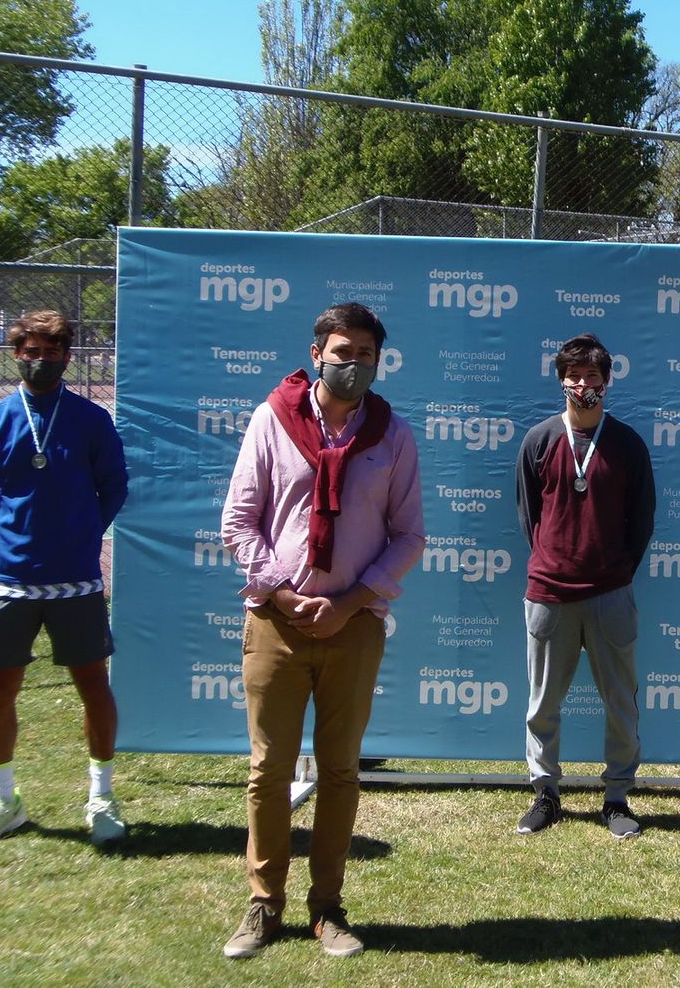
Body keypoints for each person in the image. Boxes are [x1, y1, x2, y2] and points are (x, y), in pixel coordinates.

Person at [219, 303, 425, 958]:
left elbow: (409, 534)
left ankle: (328, 907)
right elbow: (238, 521)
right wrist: (280, 590)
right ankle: (262, 903)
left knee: (339, 771)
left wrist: (350, 601)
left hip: (354, 625)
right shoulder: (271, 420)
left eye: (365, 352)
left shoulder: (392, 435)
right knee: (268, 770)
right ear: (316, 353)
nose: (353, 363)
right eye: (342, 351)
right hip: (274, 623)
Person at [0, 310, 129, 848]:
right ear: (16, 354)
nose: (41, 360)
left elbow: (113, 488)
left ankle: (101, 797)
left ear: (66, 357)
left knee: (92, 684)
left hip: (74, 580)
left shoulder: (91, 420)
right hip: (6, 579)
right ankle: (2, 799)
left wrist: (77, 536)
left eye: (52, 352)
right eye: (31, 352)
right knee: (0, 685)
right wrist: (12, 539)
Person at [514, 333, 655, 839]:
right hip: (549, 592)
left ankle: (617, 797)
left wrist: (613, 569)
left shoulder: (627, 444)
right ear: (561, 381)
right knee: (542, 703)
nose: (582, 385)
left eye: (592, 378)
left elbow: (641, 522)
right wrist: (557, 558)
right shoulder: (539, 440)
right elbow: (530, 515)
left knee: (620, 702)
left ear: (606, 381)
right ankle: (545, 793)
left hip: (610, 592)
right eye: (574, 377)